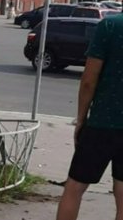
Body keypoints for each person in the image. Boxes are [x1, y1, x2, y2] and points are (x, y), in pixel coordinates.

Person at [56, 15, 123, 220]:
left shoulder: (110, 26)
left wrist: (81, 119)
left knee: (75, 187)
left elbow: (88, 80)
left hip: (101, 124)